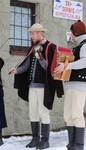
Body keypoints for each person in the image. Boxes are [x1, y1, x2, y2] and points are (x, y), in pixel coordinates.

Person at [9, 23, 64, 149]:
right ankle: (35, 138)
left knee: (43, 112)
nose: (31, 37)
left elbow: (50, 68)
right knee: (32, 113)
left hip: (44, 87)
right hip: (32, 86)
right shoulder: (33, 48)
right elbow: (26, 66)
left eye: (33, 34)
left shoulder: (51, 47)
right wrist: (16, 71)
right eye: (31, 34)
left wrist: (40, 58)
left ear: (40, 33)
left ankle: (45, 140)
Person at [54, 20, 86, 150]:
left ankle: (78, 145)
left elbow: (85, 62)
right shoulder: (76, 46)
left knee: (77, 115)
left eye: (72, 33)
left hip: (79, 85)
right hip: (70, 84)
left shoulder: (85, 45)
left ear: (76, 32)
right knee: (68, 115)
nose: (70, 36)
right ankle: (72, 145)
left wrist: (66, 65)